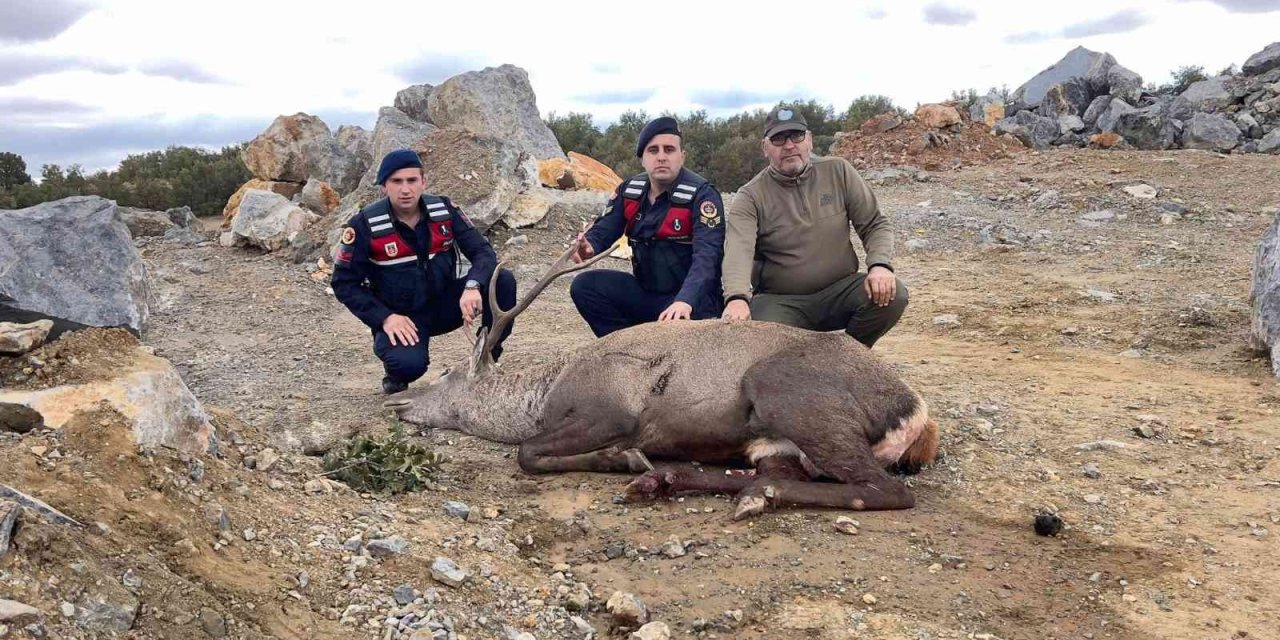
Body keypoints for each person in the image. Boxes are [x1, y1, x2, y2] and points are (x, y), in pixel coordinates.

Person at [331, 149, 517, 394]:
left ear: (423, 182)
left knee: (502, 280)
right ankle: (395, 373)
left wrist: (472, 286)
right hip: (402, 317)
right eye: (396, 182)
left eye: (412, 180)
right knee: (408, 365)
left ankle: (486, 360)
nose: (405, 189)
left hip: (445, 304)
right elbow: (344, 284)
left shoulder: (445, 211)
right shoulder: (364, 225)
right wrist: (384, 318)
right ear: (384, 186)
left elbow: (483, 253)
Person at [720, 105, 907, 348]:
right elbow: (738, 250)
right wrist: (736, 297)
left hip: (839, 291)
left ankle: (848, 358)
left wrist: (880, 265)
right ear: (765, 147)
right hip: (782, 301)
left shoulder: (839, 170)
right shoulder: (750, 196)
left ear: (809, 140)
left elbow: (875, 223)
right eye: (778, 139)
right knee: (757, 334)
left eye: (796, 136)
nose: (789, 145)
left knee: (893, 296)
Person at [569, 116, 726, 337]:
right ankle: (627, 350)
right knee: (585, 286)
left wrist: (685, 301)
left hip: (692, 301)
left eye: (669, 149)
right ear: (642, 158)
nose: (661, 157)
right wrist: (589, 246)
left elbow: (707, 257)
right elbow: (605, 228)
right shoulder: (630, 191)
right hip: (647, 293)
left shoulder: (702, 195)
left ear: (682, 156)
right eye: (653, 150)